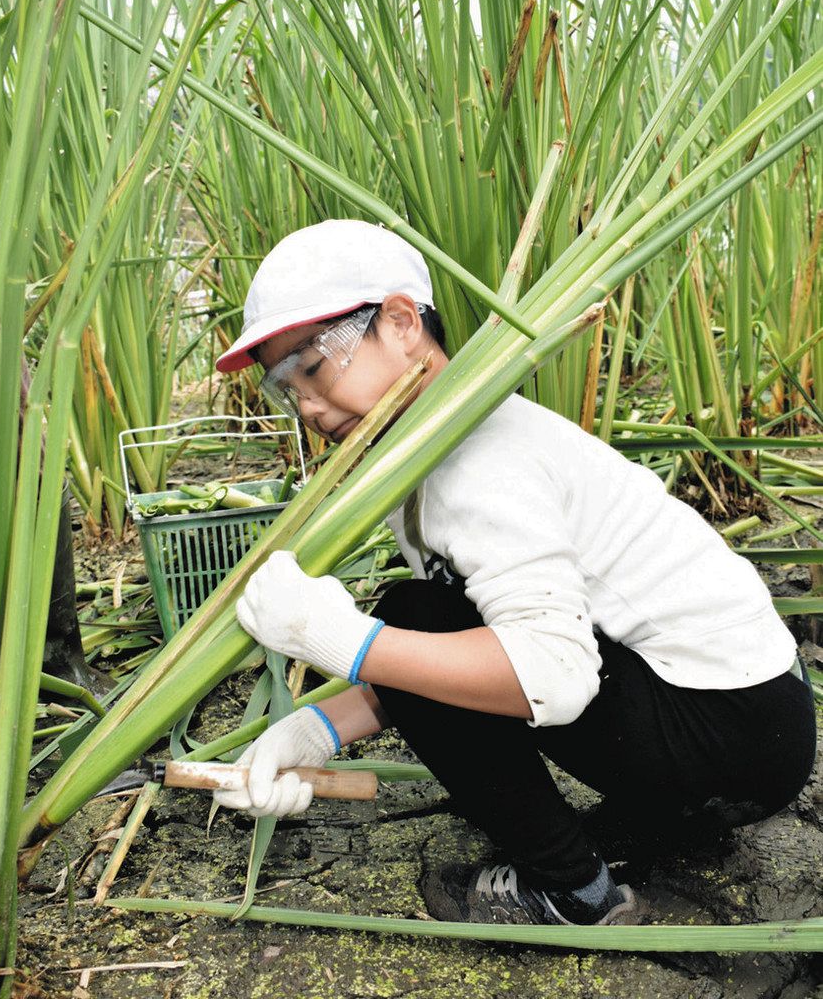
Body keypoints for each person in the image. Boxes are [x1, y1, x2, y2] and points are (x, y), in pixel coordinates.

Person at [211, 218, 816, 927]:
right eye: (285, 388)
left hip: (730, 731)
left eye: (313, 367)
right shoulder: (432, 454)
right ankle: (658, 822)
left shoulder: (478, 462)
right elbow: (455, 657)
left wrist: (334, 635)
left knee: (412, 616)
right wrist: (315, 732)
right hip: (749, 734)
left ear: (402, 322)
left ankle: (573, 892)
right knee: (423, 622)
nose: (308, 407)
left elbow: (553, 674)